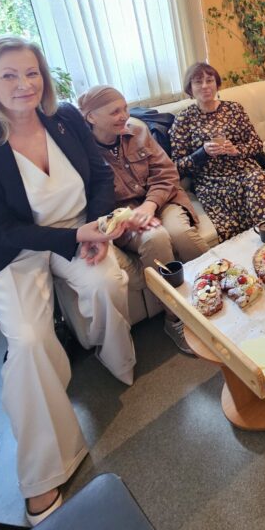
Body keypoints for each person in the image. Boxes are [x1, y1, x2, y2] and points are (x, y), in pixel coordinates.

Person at [0, 37, 135, 525]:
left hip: (78, 230)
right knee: (29, 341)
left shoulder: (65, 118)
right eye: (9, 75)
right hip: (13, 252)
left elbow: (99, 177)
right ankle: (43, 471)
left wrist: (96, 229)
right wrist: (75, 236)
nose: (24, 84)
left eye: (31, 72)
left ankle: (109, 354)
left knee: (106, 284)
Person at [78, 85, 210, 352]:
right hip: (124, 216)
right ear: (91, 117)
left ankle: (213, 286)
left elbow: (167, 173)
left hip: (163, 200)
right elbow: (92, 203)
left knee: (182, 234)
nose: (123, 116)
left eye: (124, 108)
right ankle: (174, 318)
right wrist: (127, 217)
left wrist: (150, 204)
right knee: (155, 238)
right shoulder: (83, 153)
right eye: (114, 112)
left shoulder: (137, 131)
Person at [169, 63, 265, 241]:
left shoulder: (234, 109)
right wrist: (202, 153)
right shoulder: (183, 119)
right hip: (210, 180)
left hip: (244, 171)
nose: (205, 86)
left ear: (217, 84)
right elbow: (177, 166)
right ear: (190, 88)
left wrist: (236, 150)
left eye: (209, 80)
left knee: (258, 180)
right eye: (198, 82)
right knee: (231, 231)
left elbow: (256, 144)